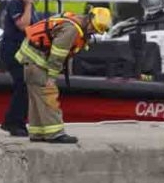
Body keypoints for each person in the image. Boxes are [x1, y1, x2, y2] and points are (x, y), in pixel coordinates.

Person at [14, 7, 112, 143]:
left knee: (37, 99)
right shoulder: (71, 30)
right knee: (49, 96)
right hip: (37, 63)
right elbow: (57, 55)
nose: (93, 32)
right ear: (89, 19)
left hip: (30, 61)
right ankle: (55, 133)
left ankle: (38, 133)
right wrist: (51, 77)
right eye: (93, 28)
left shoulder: (71, 20)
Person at [0, 0, 41, 137]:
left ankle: (15, 121)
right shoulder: (17, 3)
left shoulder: (26, 4)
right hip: (12, 50)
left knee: (24, 85)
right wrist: (28, 4)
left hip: (23, 51)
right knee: (22, 85)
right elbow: (23, 25)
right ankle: (13, 122)